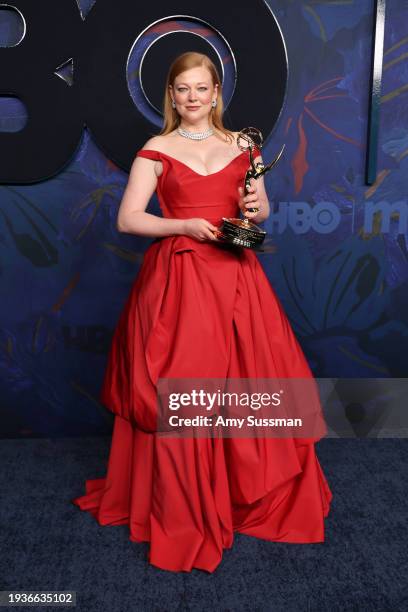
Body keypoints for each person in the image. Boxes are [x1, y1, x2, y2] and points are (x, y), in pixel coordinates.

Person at [72, 51, 333, 573]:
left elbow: (260, 213)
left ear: (217, 92)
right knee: (186, 390)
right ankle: (187, 505)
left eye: (201, 88)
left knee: (246, 382)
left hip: (236, 279)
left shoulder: (243, 145)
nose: (192, 97)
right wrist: (184, 227)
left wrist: (256, 206)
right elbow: (128, 219)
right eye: (182, 89)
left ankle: (241, 495)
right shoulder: (157, 148)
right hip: (180, 280)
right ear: (171, 97)